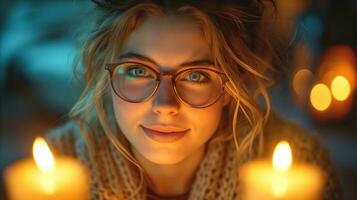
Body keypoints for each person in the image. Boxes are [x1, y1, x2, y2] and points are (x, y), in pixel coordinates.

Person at [45, 0, 342, 199]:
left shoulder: (302, 170)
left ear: (231, 86)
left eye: (196, 75)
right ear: (105, 78)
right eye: (137, 71)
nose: (165, 105)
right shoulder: (55, 169)